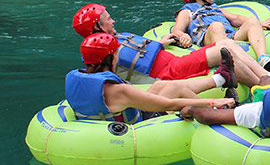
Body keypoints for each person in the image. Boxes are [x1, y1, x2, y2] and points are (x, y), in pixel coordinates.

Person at [72, 3, 270, 87]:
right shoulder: (98, 52)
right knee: (224, 47)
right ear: (97, 26)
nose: (113, 21)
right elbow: (108, 75)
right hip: (170, 72)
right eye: (108, 19)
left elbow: (137, 54)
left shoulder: (115, 39)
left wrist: (159, 43)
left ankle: (265, 81)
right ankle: (265, 83)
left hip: (175, 62)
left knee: (227, 49)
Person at [66, 33, 236, 124]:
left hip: (102, 120)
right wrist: (212, 101)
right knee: (174, 89)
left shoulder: (73, 77)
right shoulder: (118, 90)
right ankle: (218, 112)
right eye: (117, 54)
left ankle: (220, 80)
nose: (118, 57)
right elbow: (169, 104)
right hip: (137, 126)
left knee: (161, 86)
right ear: (108, 58)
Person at [171, 0, 270, 66]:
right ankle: (232, 64)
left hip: (229, 36)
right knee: (216, 26)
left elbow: (235, 18)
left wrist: (259, 23)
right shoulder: (187, 11)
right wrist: (183, 36)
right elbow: (176, 30)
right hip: (208, 39)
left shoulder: (215, 8)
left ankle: (262, 58)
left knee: (252, 21)